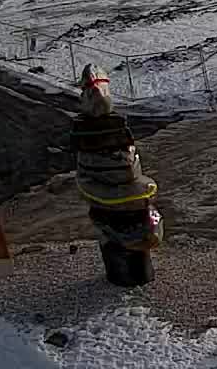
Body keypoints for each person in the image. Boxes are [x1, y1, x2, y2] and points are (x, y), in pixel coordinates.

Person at [72, 63, 161, 285]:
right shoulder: (118, 138)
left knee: (112, 233)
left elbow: (86, 181)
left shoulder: (86, 141)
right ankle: (138, 271)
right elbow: (136, 176)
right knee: (133, 221)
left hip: (108, 204)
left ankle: (122, 271)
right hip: (128, 201)